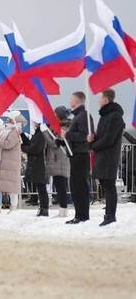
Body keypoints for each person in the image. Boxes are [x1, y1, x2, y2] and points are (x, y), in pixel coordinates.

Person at [88, 89, 125, 226]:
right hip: (101, 156)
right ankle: (108, 214)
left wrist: (93, 145)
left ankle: (110, 215)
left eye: (100, 98)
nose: (98, 101)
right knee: (105, 185)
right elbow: (102, 136)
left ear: (106, 99)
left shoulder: (115, 117)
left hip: (109, 157)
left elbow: (109, 139)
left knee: (109, 186)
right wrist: (92, 139)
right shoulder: (104, 116)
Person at [62, 91, 93, 224]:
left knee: (79, 186)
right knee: (75, 186)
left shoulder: (84, 116)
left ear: (77, 100)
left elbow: (83, 136)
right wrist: (62, 140)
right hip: (75, 155)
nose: (70, 101)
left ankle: (83, 215)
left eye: (71, 99)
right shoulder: (77, 116)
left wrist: (68, 135)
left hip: (81, 155)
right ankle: (79, 214)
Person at [42, 106, 71, 218]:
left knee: (61, 186)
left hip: (61, 160)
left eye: (55, 114)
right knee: (59, 186)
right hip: (56, 161)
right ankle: (62, 208)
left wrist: (45, 133)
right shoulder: (57, 127)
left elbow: (54, 144)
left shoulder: (63, 128)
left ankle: (63, 210)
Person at [0, 112, 23, 213]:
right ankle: (12, 206)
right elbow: (3, 140)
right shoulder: (9, 130)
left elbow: (7, 144)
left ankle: (14, 206)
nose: (7, 120)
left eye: (9, 119)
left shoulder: (15, 131)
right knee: (9, 186)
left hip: (12, 162)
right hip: (7, 161)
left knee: (12, 187)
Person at [21, 122, 48, 216]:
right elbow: (30, 143)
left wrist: (23, 148)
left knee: (42, 188)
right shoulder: (37, 133)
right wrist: (22, 134)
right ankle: (42, 208)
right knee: (40, 188)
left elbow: (35, 149)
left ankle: (44, 209)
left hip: (40, 165)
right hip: (36, 164)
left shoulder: (41, 134)